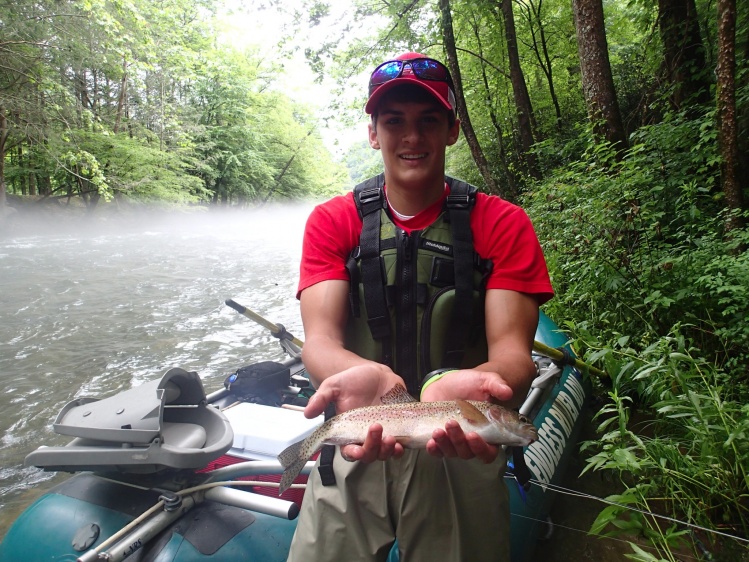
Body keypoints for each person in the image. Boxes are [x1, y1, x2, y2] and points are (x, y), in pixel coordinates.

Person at [287, 52, 553, 562]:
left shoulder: (503, 224)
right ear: (373, 132)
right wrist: (366, 376)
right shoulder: (332, 221)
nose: (411, 137)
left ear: (453, 129)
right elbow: (320, 341)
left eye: (428, 120)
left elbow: (514, 357)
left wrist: (466, 386)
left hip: (459, 448)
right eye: (394, 121)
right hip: (357, 434)